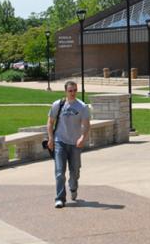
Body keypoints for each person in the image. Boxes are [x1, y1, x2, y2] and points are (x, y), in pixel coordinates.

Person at [47, 80, 90, 208]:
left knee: (75, 171)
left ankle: (73, 187)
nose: (73, 93)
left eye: (75, 90)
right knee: (60, 172)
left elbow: (86, 125)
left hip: (75, 144)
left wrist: (83, 137)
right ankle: (60, 198)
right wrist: (50, 138)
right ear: (65, 91)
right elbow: (50, 123)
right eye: (70, 91)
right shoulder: (58, 105)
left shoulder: (82, 107)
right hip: (59, 141)